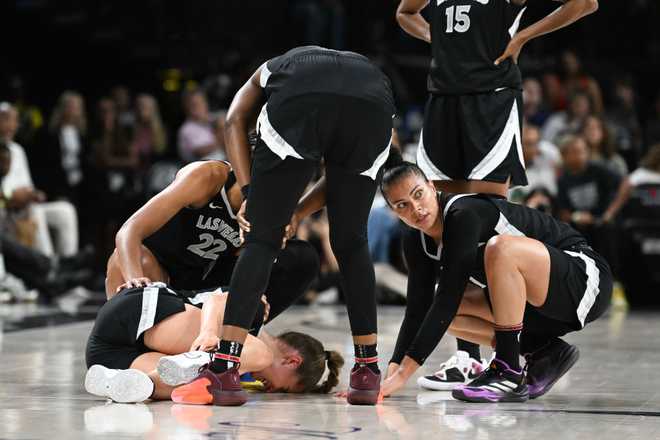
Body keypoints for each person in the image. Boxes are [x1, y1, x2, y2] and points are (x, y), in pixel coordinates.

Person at [174, 46, 395, 407]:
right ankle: (368, 373)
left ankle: (226, 367)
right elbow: (341, 179)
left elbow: (233, 120)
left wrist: (251, 195)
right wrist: (297, 210)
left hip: (303, 92)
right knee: (352, 242)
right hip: (373, 94)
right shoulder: (358, 74)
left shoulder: (270, 71)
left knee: (261, 240)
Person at [378, 151, 612, 402]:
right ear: (393, 211)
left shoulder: (463, 213)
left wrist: (405, 375)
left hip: (582, 278)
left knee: (500, 250)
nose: (416, 209)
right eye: (402, 205)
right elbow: (416, 309)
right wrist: (389, 378)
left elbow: (449, 295)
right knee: (439, 309)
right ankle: (544, 351)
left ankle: (506, 369)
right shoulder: (415, 239)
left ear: (431, 186)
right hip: (537, 306)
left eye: (418, 194)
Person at [395, 0, 599, 198]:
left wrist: (522, 36)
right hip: (443, 98)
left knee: (483, 208)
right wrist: (432, 34)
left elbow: (586, 3)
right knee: (441, 208)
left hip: (492, 99)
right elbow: (405, 12)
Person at [106, 159, 319, 311]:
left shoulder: (269, 212)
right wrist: (134, 280)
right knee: (127, 261)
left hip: (196, 281)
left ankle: (234, 339)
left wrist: (249, 297)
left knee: (300, 257)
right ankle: (125, 335)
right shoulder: (207, 177)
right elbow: (129, 231)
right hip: (156, 265)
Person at [85, 282, 343, 403]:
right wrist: (209, 332)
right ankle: (201, 358)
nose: (272, 390)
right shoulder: (256, 318)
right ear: (291, 361)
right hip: (140, 311)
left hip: (107, 355)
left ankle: (117, 383)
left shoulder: (240, 374)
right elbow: (217, 300)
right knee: (256, 355)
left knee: (184, 385)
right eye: (284, 389)